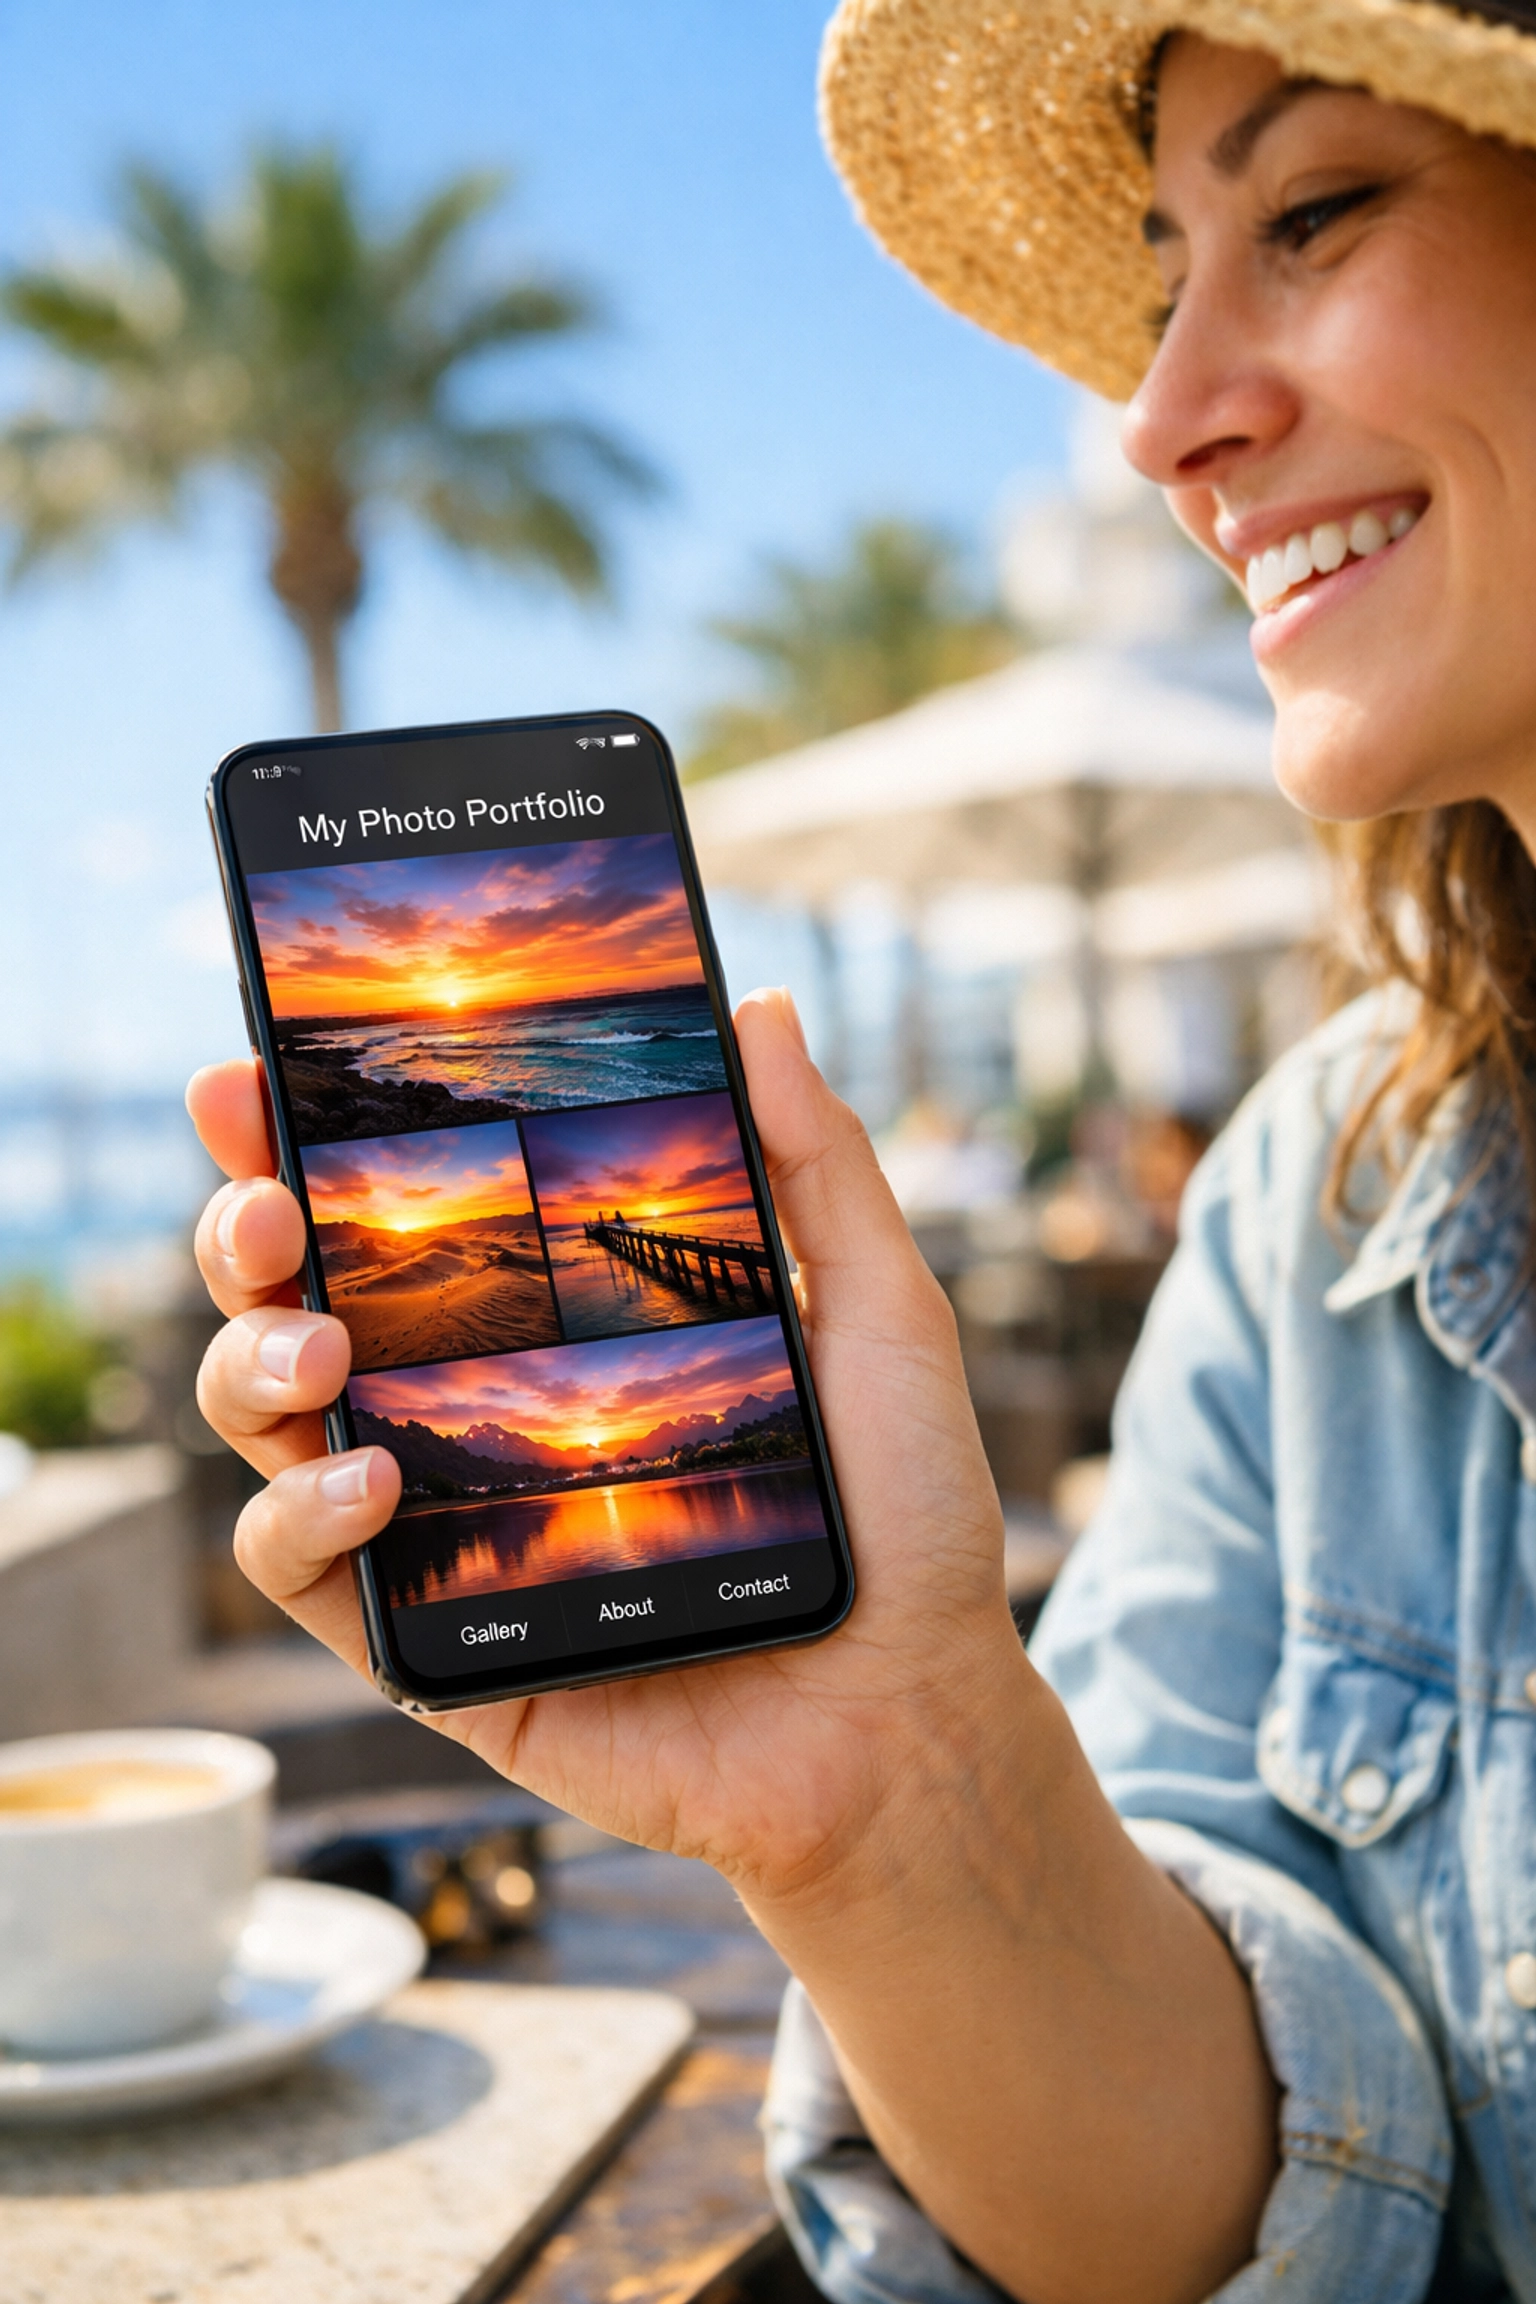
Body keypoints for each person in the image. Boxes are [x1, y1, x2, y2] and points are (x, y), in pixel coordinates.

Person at [182, 0, 1536, 2292]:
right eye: (1159, 269)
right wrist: (891, 1800)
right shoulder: (1329, 1201)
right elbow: (1222, 2212)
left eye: (1311, 211)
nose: (1160, 421)